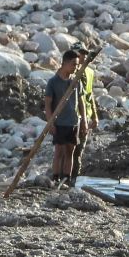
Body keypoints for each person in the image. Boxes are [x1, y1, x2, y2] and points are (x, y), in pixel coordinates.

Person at [45, 50, 87, 188]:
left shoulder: (76, 81)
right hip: (60, 122)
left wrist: (84, 121)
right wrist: (50, 122)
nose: (76, 67)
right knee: (59, 151)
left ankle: (67, 179)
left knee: (70, 151)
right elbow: (48, 103)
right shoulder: (53, 82)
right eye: (74, 64)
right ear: (66, 63)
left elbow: (81, 102)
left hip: (73, 121)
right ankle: (56, 177)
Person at [70, 42, 98, 186]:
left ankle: (74, 178)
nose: (83, 56)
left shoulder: (89, 72)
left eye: (85, 53)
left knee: (79, 150)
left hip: (85, 114)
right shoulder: (70, 72)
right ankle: (65, 177)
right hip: (72, 116)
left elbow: (89, 94)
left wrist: (94, 115)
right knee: (69, 149)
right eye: (81, 53)